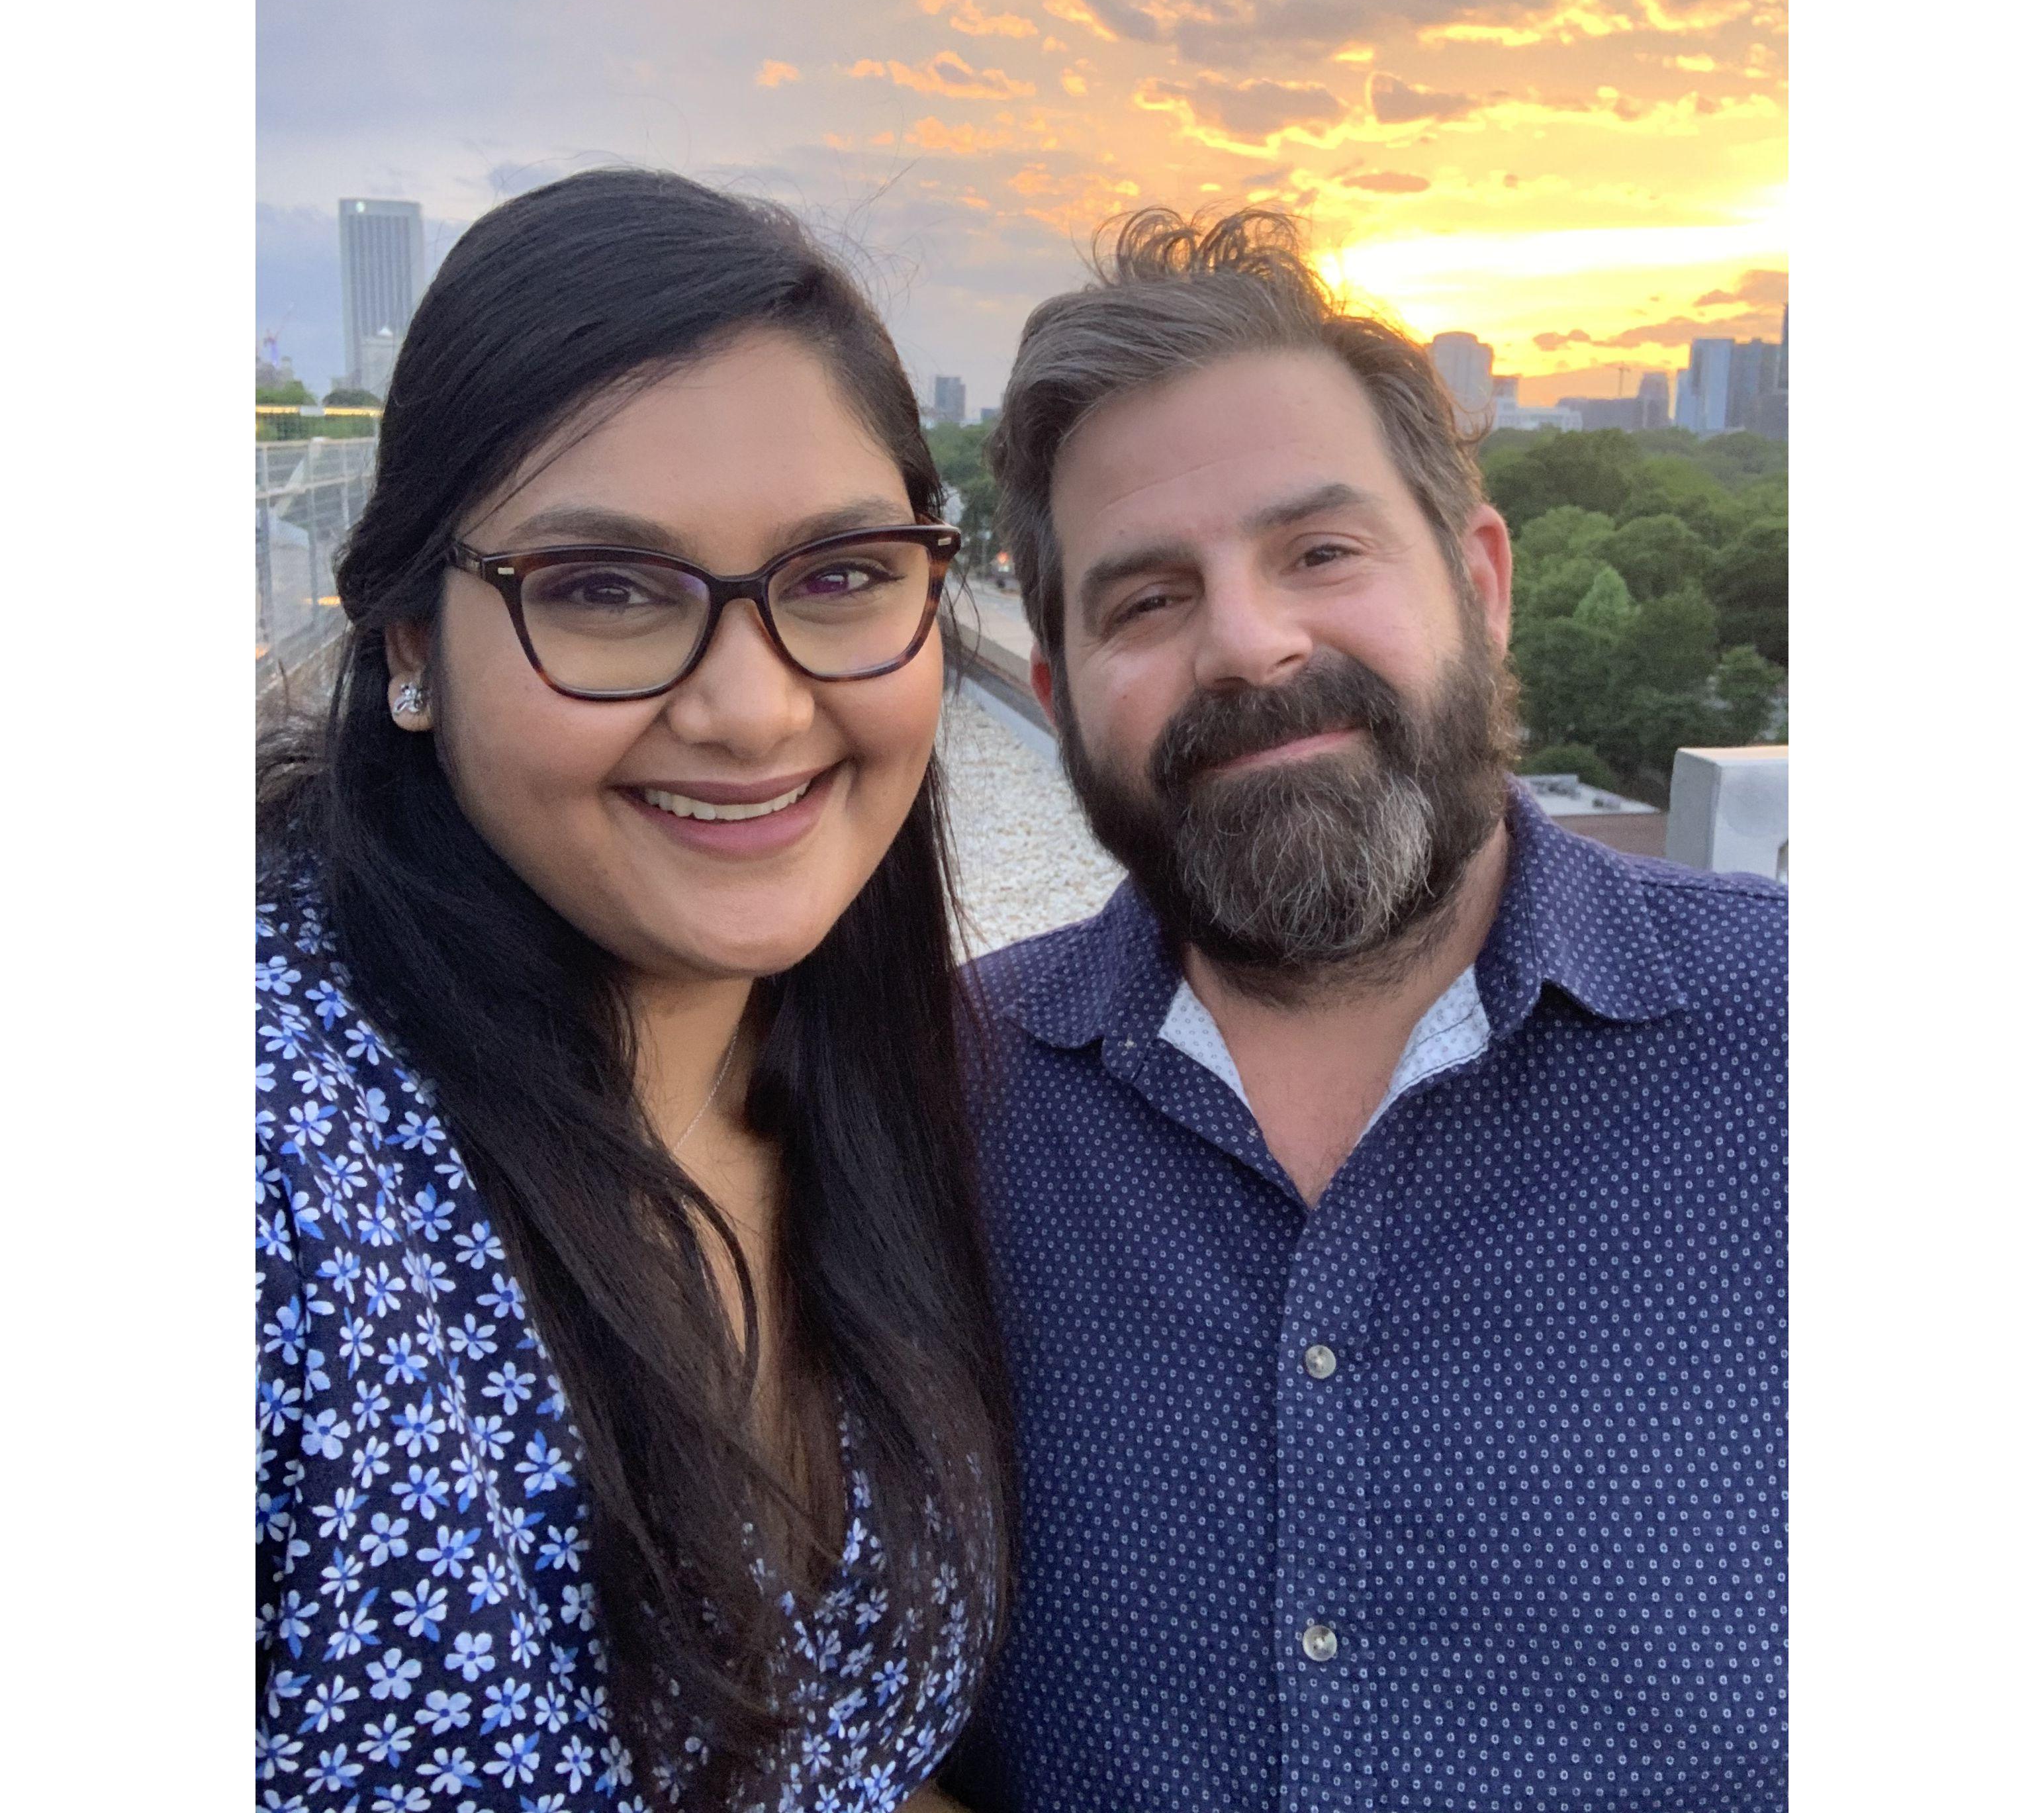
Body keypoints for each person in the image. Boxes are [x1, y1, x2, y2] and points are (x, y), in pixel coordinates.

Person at [943, 211, 1787, 1812]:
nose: (1250, 641)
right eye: (1142, 600)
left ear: (1477, 580)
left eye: (1320, 551)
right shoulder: (928, 1103)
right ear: (1054, 693)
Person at [256, 168, 1007, 1811]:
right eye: (603, 589)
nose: (750, 709)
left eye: (838, 576)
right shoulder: (274, 1162)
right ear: (401, 642)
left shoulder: (891, 1082)